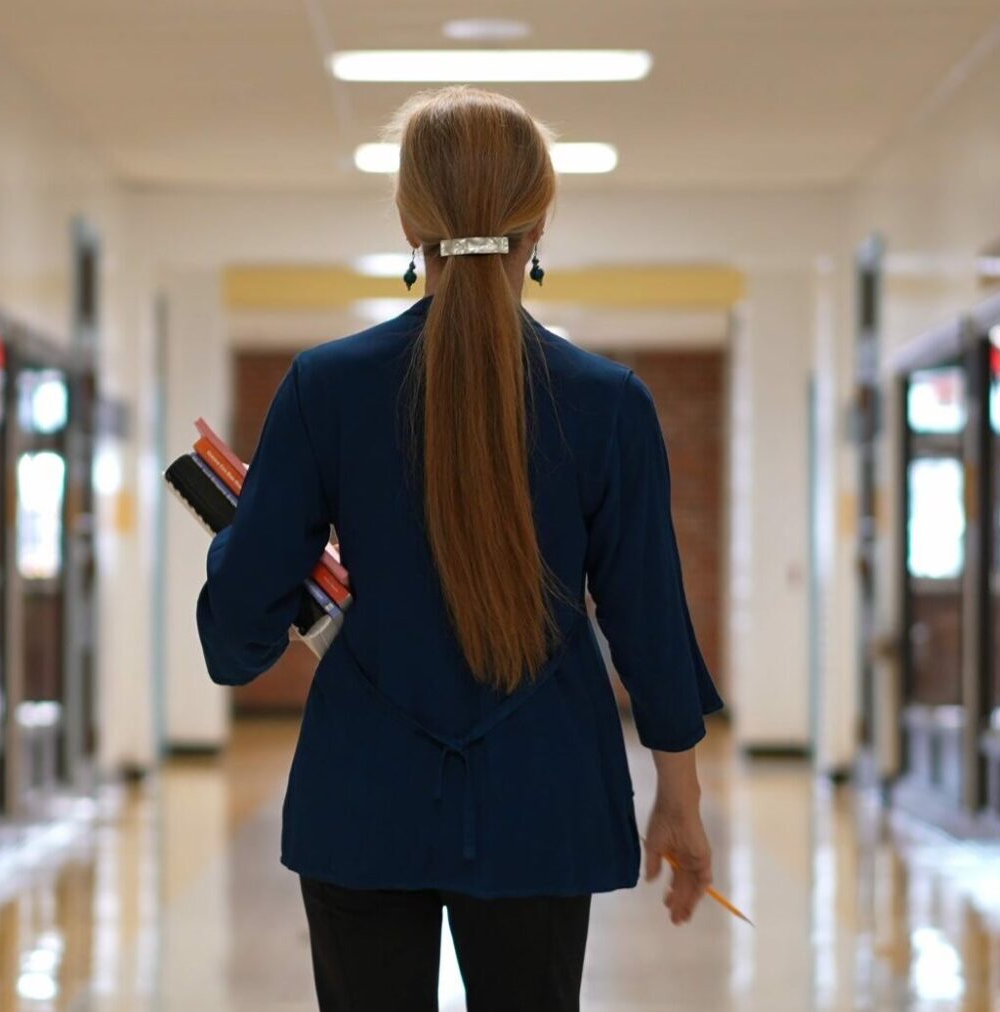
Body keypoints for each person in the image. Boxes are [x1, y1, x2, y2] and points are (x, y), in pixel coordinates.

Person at [196, 86, 724, 1012]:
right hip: (547, 797)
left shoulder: (325, 390)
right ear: (541, 222)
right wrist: (678, 795)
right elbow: (650, 623)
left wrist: (250, 546)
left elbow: (235, 629)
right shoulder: (609, 405)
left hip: (362, 797)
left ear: (409, 220)